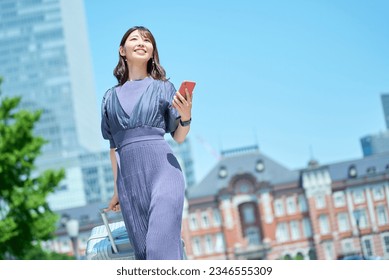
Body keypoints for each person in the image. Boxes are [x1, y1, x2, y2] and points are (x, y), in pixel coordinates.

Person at [101, 26, 193, 260]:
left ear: (152, 52)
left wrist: (185, 115)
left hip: (164, 173)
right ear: (122, 50)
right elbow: (113, 148)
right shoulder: (109, 97)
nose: (141, 43)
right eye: (134, 39)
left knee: (158, 250)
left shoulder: (164, 88)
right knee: (143, 255)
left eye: (147, 41)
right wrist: (116, 191)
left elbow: (179, 137)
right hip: (129, 184)